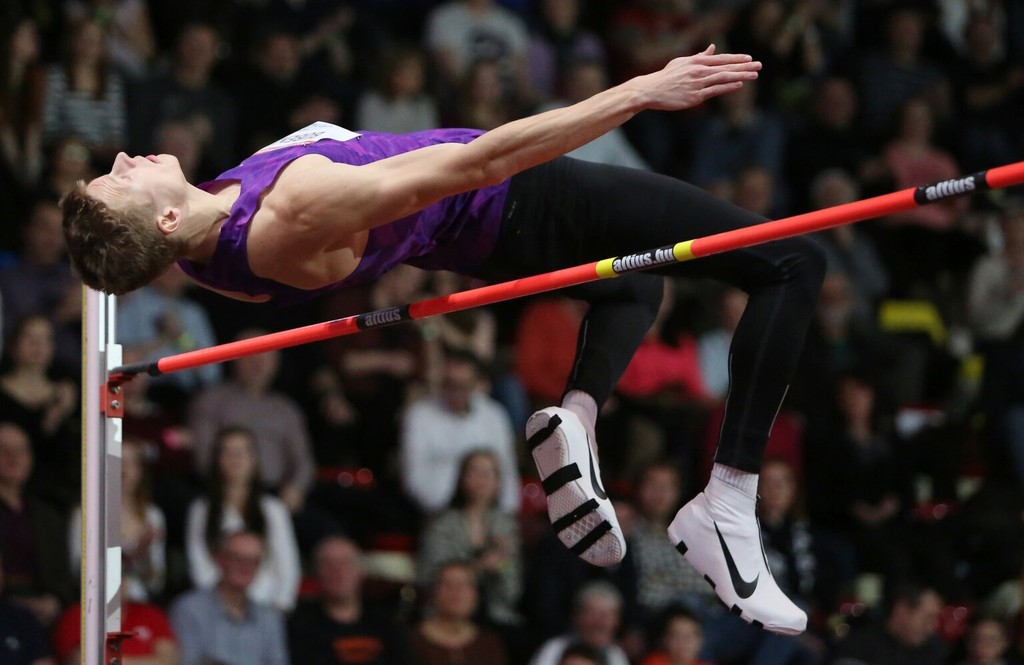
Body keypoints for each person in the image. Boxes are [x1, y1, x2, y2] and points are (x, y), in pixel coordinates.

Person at [62, 45, 825, 635]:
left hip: (479, 237)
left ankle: (579, 417)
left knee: (634, 281)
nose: (123, 158)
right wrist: (642, 90)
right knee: (792, 260)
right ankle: (728, 499)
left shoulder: (201, 247)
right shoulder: (288, 211)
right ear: (165, 220)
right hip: (512, 200)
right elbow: (482, 162)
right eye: (120, 179)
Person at [169, 530, 289, 665]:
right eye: (238, 559)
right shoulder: (190, 609)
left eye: (254, 561)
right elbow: (188, 661)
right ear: (220, 560)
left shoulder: (269, 618)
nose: (246, 567)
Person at [287, 535, 411, 665]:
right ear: (316, 572)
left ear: (361, 570)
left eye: (345, 562)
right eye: (327, 563)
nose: (338, 571)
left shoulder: (387, 625)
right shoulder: (298, 627)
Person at [408, 560, 509, 665]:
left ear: (476, 594)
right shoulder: (412, 641)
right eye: (447, 584)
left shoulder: (489, 644)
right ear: (434, 592)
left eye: (464, 584)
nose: (456, 592)